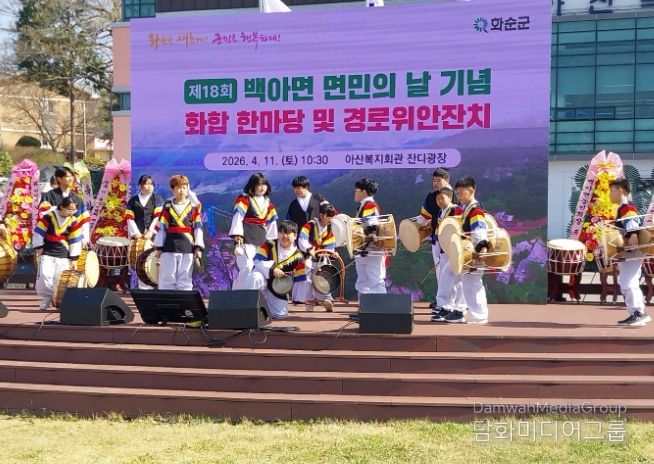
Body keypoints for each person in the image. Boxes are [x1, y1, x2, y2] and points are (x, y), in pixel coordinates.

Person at [444, 176, 489, 324]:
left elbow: (480, 230)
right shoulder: (466, 209)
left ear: (472, 191)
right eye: (457, 194)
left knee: (472, 285)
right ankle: (458, 309)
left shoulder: (476, 210)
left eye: (462, 193)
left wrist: (482, 248)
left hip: (474, 252)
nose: (459, 196)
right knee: (451, 275)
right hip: (466, 252)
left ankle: (479, 316)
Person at [245, 220, 307, 320]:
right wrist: (272, 270)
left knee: (281, 314)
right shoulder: (269, 244)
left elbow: (300, 279)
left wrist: (298, 299)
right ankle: (247, 309)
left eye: (287, 233)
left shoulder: (298, 257)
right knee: (255, 277)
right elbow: (257, 261)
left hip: (277, 288)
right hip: (262, 279)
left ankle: (261, 311)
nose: (284, 236)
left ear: (295, 236)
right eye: (281, 233)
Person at [609, 178, 650, 327]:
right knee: (628, 281)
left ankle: (639, 313)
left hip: (632, 250)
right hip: (629, 251)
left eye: (611, 191)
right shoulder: (623, 207)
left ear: (620, 190)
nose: (609, 194)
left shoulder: (626, 207)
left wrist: (632, 234)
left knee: (628, 282)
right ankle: (636, 313)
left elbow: (632, 221)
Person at [154, 174, 204, 291]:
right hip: (169, 245)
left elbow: (198, 228)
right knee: (167, 278)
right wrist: (159, 247)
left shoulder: (193, 208)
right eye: (178, 188)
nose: (181, 191)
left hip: (187, 246)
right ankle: (167, 302)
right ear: (172, 190)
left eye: (184, 188)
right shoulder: (167, 206)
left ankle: (185, 301)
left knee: (185, 278)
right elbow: (162, 227)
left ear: (188, 189)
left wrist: (198, 247)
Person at [32, 197, 83, 310]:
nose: (72, 212)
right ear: (62, 207)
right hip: (48, 252)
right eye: (69, 209)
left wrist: (74, 258)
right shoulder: (49, 217)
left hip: (64, 255)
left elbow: (75, 240)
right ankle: (48, 297)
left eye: (74, 210)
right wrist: (39, 247)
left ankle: (54, 300)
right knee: (45, 276)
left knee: (59, 281)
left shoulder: (73, 221)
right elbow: (39, 232)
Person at [229, 173, 278, 289]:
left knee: (260, 268)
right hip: (246, 236)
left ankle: (254, 294)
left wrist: (273, 242)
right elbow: (238, 216)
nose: (262, 187)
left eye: (264, 184)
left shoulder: (269, 205)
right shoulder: (244, 199)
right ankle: (238, 293)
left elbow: (272, 225)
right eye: (258, 185)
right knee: (247, 266)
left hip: (262, 239)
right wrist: (237, 234)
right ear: (252, 186)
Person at [416, 168, 452, 311]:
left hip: (453, 240)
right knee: (440, 270)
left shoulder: (456, 195)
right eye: (434, 180)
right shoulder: (431, 196)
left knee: (453, 271)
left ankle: (455, 303)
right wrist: (411, 229)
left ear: (447, 180)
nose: (435, 183)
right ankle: (442, 300)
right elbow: (423, 217)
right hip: (437, 238)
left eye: (438, 180)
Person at [430, 187, 467, 322]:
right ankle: (447, 307)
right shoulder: (441, 212)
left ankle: (459, 309)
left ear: (450, 198)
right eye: (437, 198)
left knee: (457, 279)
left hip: (455, 250)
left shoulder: (455, 210)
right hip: (444, 250)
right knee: (446, 279)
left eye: (442, 198)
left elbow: (461, 228)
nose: (439, 201)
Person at [296, 201, 338, 312]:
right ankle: (310, 302)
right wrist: (309, 249)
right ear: (322, 215)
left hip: (321, 259)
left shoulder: (330, 229)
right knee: (308, 279)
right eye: (329, 217)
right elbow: (302, 240)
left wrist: (332, 253)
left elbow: (330, 246)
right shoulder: (309, 226)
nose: (331, 220)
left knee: (323, 277)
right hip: (308, 258)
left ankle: (327, 300)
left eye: (332, 217)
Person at [125, 175, 165, 289]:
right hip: (138, 235)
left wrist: (151, 231)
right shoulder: (133, 201)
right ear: (140, 185)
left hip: (154, 236)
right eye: (147, 184)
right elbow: (129, 218)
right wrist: (136, 233)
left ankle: (158, 287)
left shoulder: (157, 199)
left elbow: (159, 217)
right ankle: (143, 288)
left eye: (151, 184)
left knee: (154, 262)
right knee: (141, 263)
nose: (149, 186)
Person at [39, 167, 91, 246]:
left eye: (72, 176)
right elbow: (42, 218)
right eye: (67, 176)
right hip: (52, 241)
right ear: (59, 179)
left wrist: (85, 239)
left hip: (73, 241)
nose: (71, 179)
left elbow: (84, 220)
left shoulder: (77, 199)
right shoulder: (48, 197)